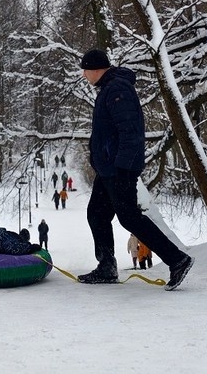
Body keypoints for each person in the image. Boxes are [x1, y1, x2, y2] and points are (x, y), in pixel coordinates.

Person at [77, 48, 194, 291]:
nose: (84, 75)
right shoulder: (109, 89)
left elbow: (130, 131)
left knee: (129, 217)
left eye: (85, 70)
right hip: (109, 168)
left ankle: (177, 260)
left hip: (119, 168)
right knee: (96, 214)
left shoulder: (117, 90)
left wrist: (122, 167)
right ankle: (106, 267)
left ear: (96, 69)